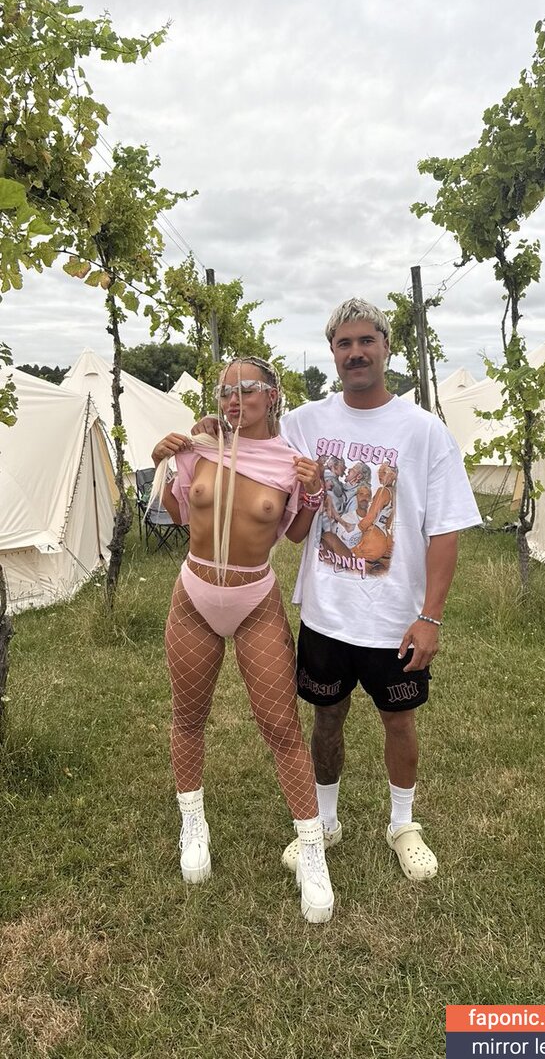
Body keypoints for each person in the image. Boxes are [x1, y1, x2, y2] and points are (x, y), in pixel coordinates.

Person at [275, 298, 481, 880]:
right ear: (332, 353)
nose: (356, 352)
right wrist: (209, 429)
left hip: (394, 620)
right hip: (326, 614)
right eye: (344, 343)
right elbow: (254, 436)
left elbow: (444, 531)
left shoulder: (424, 432)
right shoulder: (305, 423)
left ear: (387, 347)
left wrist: (430, 617)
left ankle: (402, 824)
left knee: (399, 721)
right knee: (326, 718)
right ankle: (325, 822)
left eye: (367, 341)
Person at [150, 356, 334, 924]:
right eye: (226, 390)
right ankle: (193, 823)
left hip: (255, 599)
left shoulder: (289, 462)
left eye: (248, 388)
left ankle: (311, 850)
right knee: (188, 717)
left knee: (281, 727)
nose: (235, 399)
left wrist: (314, 493)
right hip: (194, 594)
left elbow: (295, 533)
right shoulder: (200, 448)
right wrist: (162, 462)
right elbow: (179, 513)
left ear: (272, 395)